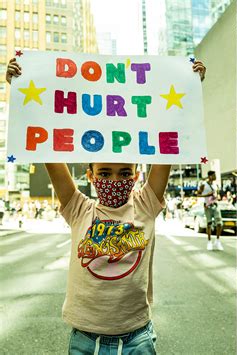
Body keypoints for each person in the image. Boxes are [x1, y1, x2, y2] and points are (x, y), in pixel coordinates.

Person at [7, 57, 206, 354]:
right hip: (84, 341)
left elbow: (167, 148)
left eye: (125, 173)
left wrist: (189, 89)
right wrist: (21, 90)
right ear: (90, 176)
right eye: (104, 173)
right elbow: (48, 150)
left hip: (137, 339)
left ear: (137, 175)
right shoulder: (78, 209)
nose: (116, 179)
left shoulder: (146, 204)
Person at [196, 170, 224, 251]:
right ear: (210, 176)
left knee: (219, 224)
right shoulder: (203, 185)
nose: (215, 177)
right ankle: (209, 242)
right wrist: (207, 195)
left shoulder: (215, 185)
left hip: (215, 205)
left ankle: (217, 241)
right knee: (209, 223)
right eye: (214, 175)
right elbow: (197, 194)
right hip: (207, 206)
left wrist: (217, 197)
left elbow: (216, 194)